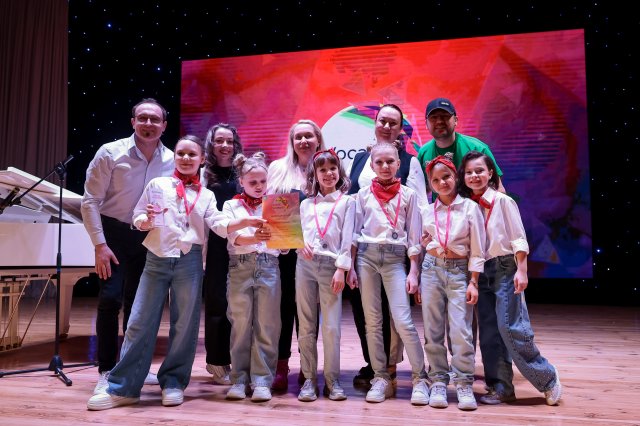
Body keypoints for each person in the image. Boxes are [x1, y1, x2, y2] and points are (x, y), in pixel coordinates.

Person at [86, 135, 264, 410]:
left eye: (192, 154)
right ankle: (124, 387)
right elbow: (138, 216)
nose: (186, 158)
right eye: (181, 153)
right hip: (156, 259)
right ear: (175, 157)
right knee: (139, 322)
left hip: (189, 261)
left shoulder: (206, 195)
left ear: (202, 159)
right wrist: (145, 220)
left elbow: (218, 223)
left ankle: (173, 382)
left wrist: (242, 222)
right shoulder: (157, 184)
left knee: (184, 325)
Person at [81, 98, 173, 394]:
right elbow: (90, 201)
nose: (148, 124)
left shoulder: (172, 160)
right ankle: (107, 369)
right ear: (133, 122)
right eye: (142, 118)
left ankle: (132, 366)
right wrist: (100, 245)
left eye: (155, 119)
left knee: (139, 306)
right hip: (114, 234)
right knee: (110, 300)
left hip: (149, 237)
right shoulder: (110, 152)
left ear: (164, 125)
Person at [458, 150, 562, 406]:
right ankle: (501, 387)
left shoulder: (503, 201)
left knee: (510, 327)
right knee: (489, 332)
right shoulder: (467, 206)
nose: (474, 176)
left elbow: (518, 237)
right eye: (469, 172)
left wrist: (521, 269)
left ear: (490, 173)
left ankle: (547, 378)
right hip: (479, 271)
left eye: (479, 170)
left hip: (504, 267)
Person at [345, 103, 428, 388]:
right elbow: (350, 206)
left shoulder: (410, 162)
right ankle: (376, 367)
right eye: (383, 120)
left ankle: (399, 370)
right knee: (368, 316)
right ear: (375, 123)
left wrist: (417, 262)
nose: (387, 126)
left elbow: (420, 210)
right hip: (365, 252)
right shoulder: (360, 158)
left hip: (396, 250)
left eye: (394, 122)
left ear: (401, 128)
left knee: (398, 317)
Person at [415, 153, 485, 411]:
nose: (442, 183)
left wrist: (473, 281)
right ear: (430, 184)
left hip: (459, 271)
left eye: (446, 177)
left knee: (461, 330)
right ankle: (438, 381)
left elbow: (478, 248)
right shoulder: (427, 210)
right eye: (435, 180)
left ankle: (464, 382)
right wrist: (424, 245)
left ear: (455, 176)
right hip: (431, 269)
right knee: (432, 330)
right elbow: (423, 242)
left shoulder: (469, 208)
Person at [266, 119, 326, 391]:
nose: (303, 141)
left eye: (308, 136)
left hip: (317, 253)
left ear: (318, 139)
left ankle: (307, 364)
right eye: (298, 137)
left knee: (309, 311)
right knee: (283, 308)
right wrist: (295, 241)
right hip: (285, 252)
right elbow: (273, 208)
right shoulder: (278, 168)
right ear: (291, 142)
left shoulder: (328, 166)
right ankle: (280, 365)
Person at [296, 149, 355, 402]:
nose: (328, 173)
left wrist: (342, 269)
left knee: (331, 327)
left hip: (331, 266)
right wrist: (299, 244)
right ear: (315, 174)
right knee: (306, 325)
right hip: (305, 266)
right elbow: (297, 235)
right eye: (323, 170)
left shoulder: (347, 202)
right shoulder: (305, 204)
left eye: (333, 168)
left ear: (339, 172)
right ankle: (309, 379)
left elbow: (347, 238)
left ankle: (333, 380)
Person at [223, 152, 281, 403]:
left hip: (269, 265)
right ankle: (238, 379)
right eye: (253, 182)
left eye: (263, 181)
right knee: (240, 324)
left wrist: (284, 236)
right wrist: (254, 237)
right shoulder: (231, 205)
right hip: (240, 266)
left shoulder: (276, 204)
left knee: (267, 324)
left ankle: (262, 380)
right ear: (242, 182)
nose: (259, 186)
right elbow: (233, 237)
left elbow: (284, 245)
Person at [202, 123, 243, 385]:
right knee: (217, 303)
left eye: (229, 141)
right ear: (211, 144)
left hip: (241, 243)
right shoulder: (203, 174)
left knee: (238, 304)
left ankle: (238, 359)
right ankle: (216, 362)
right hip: (215, 245)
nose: (225, 146)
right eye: (219, 141)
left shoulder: (242, 171)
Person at [416, 97, 505, 196]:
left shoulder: (478, 148)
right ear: (426, 124)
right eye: (433, 117)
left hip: (477, 205)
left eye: (445, 116)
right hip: (441, 206)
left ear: (455, 120)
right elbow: (421, 190)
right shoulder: (423, 153)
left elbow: (498, 188)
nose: (439, 121)